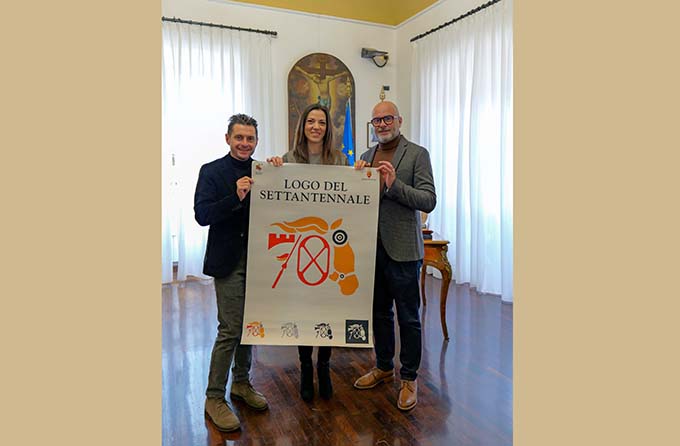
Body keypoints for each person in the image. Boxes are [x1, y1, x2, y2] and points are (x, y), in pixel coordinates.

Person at [353, 101, 436, 411]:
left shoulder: (417, 154)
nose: (382, 124)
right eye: (377, 120)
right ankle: (384, 366)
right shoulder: (365, 157)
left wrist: (394, 184)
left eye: (387, 118)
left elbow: (428, 200)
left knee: (409, 317)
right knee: (379, 314)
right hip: (371, 251)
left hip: (403, 251)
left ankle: (409, 378)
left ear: (399, 120)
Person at [267, 103, 348, 402]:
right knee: (303, 309)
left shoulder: (339, 160)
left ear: (328, 128)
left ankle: (323, 366)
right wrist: (271, 170)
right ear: (302, 126)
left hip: (329, 245)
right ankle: (304, 367)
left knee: (326, 308)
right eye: (311, 121)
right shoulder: (288, 159)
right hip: (301, 246)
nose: (316, 127)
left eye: (322, 122)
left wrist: (361, 174)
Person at [194, 113, 269, 432]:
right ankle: (214, 397)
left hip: (261, 260)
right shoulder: (211, 171)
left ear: (256, 141)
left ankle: (241, 383)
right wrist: (234, 197)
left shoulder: (265, 171)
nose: (244, 143)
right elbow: (202, 214)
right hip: (228, 260)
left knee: (250, 325)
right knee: (230, 328)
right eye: (239, 137)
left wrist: (279, 171)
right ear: (228, 139)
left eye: (250, 138)